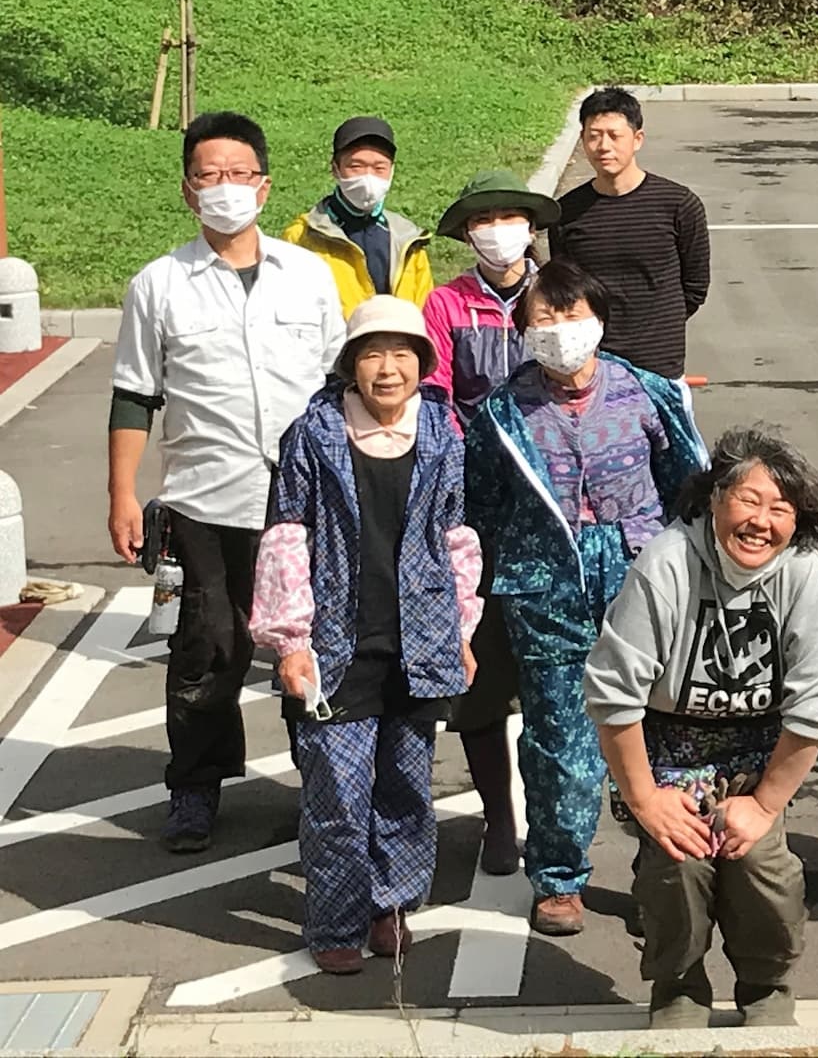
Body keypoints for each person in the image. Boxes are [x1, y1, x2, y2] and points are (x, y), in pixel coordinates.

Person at [109, 111, 345, 853]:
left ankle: (323, 785)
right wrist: (121, 494)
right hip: (205, 498)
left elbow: (342, 384)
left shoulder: (307, 275)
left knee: (314, 643)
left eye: (238, 174)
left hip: (305, 501)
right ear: (187, 190)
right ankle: (194, 788)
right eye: (208, 175)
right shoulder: (158, 284)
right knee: (206, 649)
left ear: (264, 186)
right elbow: (134, 394)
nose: (224, 188)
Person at [466, 260, 706, 936]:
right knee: (559, 738)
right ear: (523, 329)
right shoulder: (501, 412)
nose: (559, 329)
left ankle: (662, 873)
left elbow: (688, 485)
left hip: (640, 575)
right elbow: (480, 504)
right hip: (545, 585)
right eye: (544, 317)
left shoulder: (647, 392)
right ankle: (558, 878)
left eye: (571, 315)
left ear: (598, 321)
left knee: (658, 729)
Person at [586, 426, 818, 1029]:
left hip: (759, 750)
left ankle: (766, 986)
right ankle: (677, 986)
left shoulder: (805, 573)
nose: (761, 521)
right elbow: (613, 694)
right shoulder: (666, 563)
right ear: (714, 499)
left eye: (780, 509)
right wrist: (646, 800)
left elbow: (817, 704)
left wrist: (763, 804)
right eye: (748, 500)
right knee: (677, 863)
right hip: (667, 747)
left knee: (762, 867)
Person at [249, 296, 482, 973]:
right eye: (373, 354)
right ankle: (334, 921)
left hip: (419, 641)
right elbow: (287, 536)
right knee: (337, 794)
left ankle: (391, 905)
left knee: (406, 788)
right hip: (336, 644)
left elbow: (456, 536)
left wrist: (461, 629)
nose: (388, 369)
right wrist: (291, 641)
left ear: (423, 364)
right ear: (351, 364)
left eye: (402, 354)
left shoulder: (442, 432)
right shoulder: (314, 433)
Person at [421, 168, 561, 876]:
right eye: (484, 220)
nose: (498, 231)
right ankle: (497, 818)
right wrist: (470, 463)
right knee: (479, 668)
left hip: (552, 511)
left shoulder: (559, 296)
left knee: (553, 674)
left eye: (511, 218)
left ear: (531, 228)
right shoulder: (446, 303)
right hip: (475, 511)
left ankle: (552, 815)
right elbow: (434, 395)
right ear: (468, 233)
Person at [550, 88, 711, 407]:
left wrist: (659, 327)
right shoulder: (566, 212)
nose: (603, 146)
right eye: (594, 136)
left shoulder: (679, 205)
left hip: (661, 368)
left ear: (637, 139)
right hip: (594, 366)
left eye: (614, 135)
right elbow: (566, 290)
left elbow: (695, 287)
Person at [283, 117, 433, 316]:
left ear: (392, 171)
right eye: (356, 166)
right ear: (335, 169)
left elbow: (424, 312)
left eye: (379, 168)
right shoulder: (303, 236)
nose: (368, 177)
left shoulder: (408, 240)